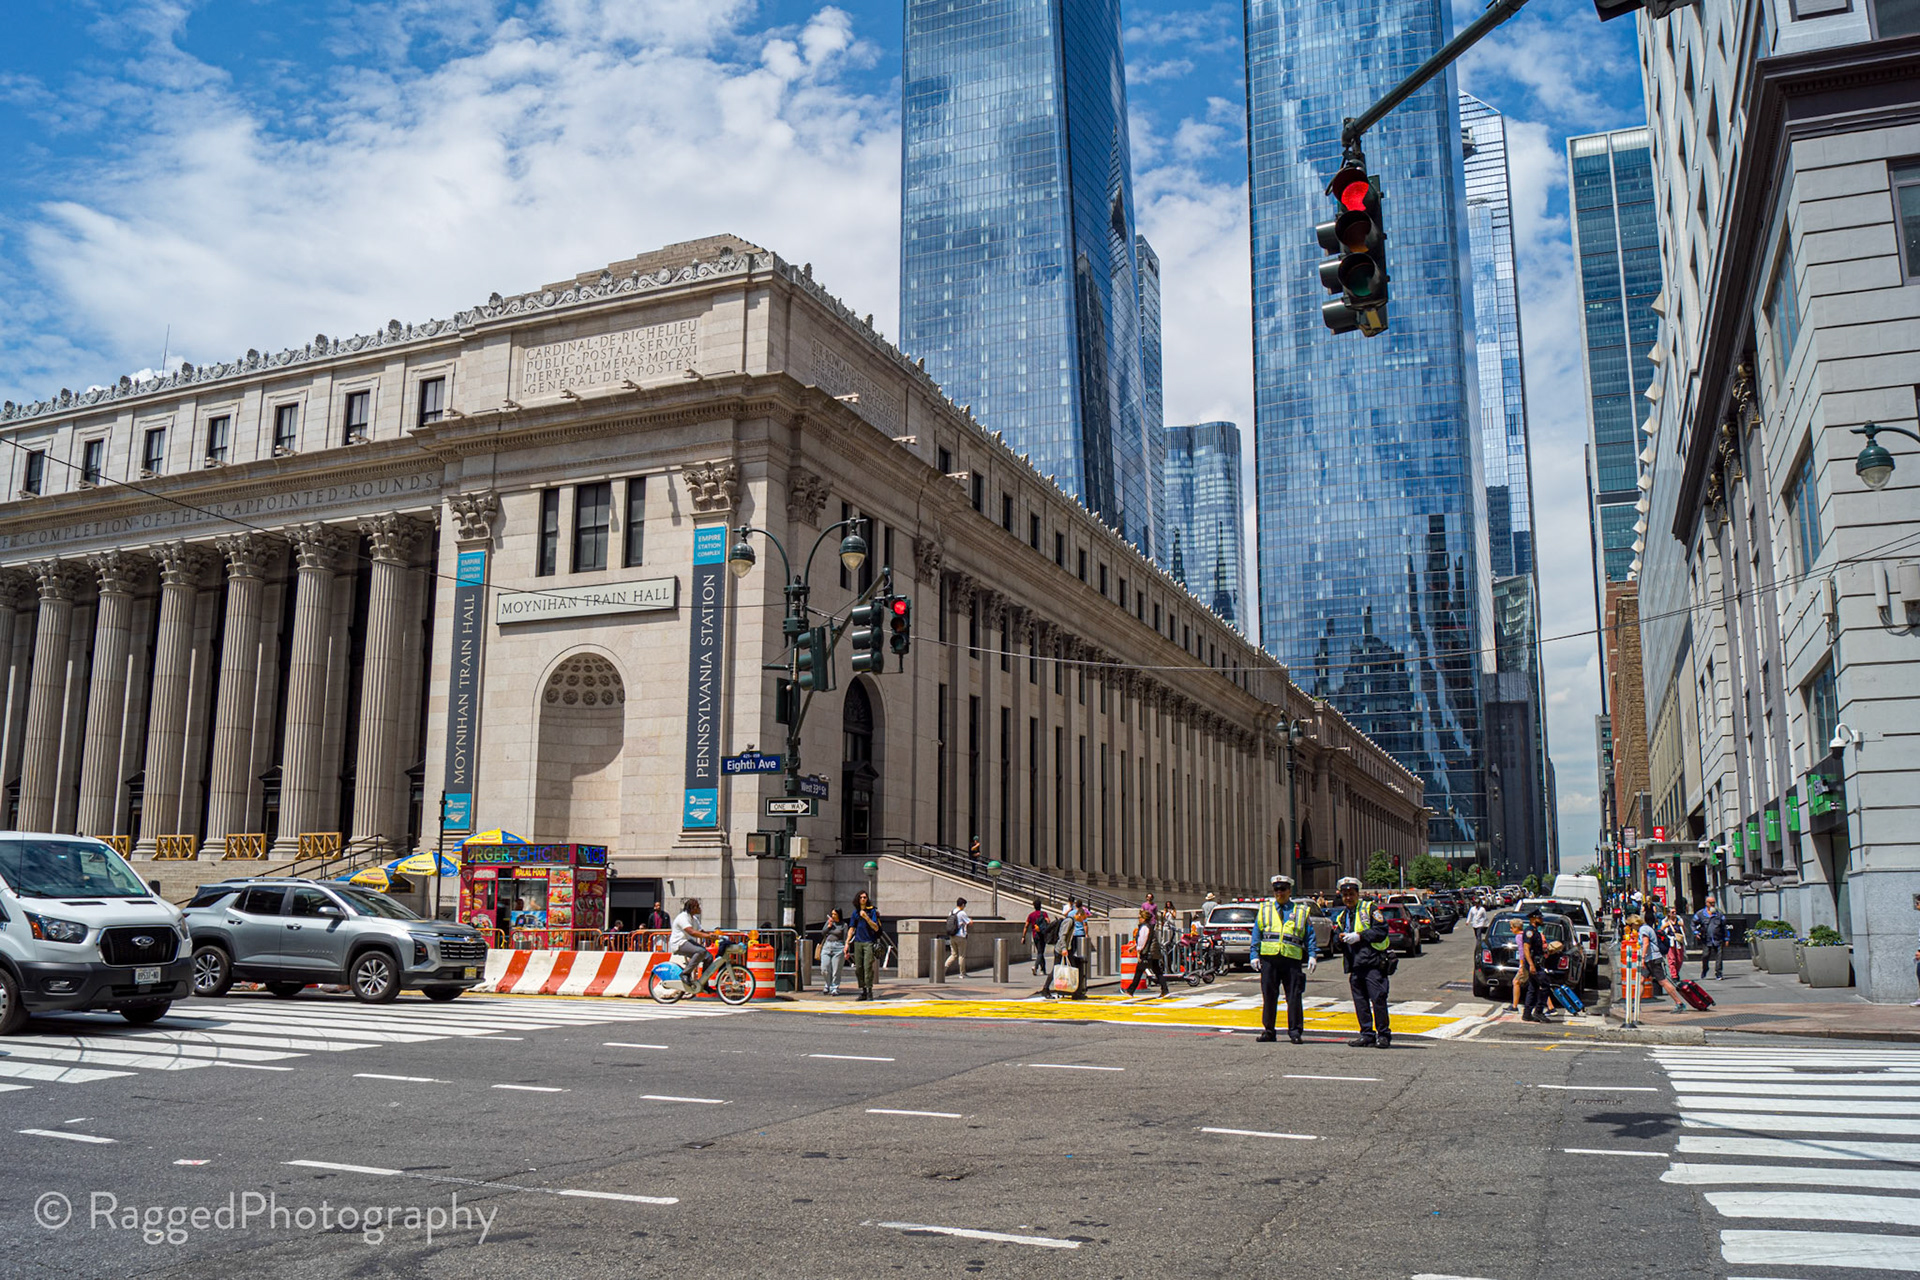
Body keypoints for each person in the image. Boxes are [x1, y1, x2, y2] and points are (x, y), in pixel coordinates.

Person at [1249, 874, 1316, 1044]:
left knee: (1294, 996)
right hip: (1269, 959)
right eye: (1276, 890)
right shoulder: (1265, 909)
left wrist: (1313, 955)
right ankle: (1269, 1031)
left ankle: (1295, 1031)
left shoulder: (1300, 911)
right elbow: (1257, 933)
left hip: (1291, 959)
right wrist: (1254, 955)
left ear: (1289, 891)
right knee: (1269, 996)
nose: (1279, 892)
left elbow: (1309, 935)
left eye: (1283, 889)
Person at [1329, 876, 1393, 1047]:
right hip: (1355, 964)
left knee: (1378, 999)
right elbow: (1336, 938)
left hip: (1373, 963)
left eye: (1351, 894)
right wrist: (1339, 939)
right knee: (1360, 1001)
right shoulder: (1342, 916)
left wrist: (1359, 936)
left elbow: (1381, 930)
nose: (1348, 898)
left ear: (1358, 894)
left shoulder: (1369, 908)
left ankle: (1383, 1035)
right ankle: (1367, 1034)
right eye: (1345, 895)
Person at [1634, 912, 1689, 1013]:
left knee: (1663, 981)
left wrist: (1642, 958)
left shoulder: (1643, 929)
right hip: (1649, 959)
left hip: (1653, 959)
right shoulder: (1646, 928)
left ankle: (1679, 1003)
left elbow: (1646, 943)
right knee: (1641, 980)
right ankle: (1636, 1005)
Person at [668, 898, 716, 991]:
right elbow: (692, 932)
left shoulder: (694, 919)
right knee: (701, 951)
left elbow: (701, 931)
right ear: (692, 908)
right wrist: (708, 936)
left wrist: (713, 936)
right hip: (679, 943)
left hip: (688, 942)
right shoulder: (682, 917)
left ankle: (704, 983)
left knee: (709, 957)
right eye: (697, 906)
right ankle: (685, 974)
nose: (699, 908)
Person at [1125, 906, 1170, 997]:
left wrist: (1138, 952)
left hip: (1147, 953)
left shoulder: (1144, 927)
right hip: (1153, 952)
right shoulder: (1149, 927)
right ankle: (1165, 990)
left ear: (1144, 918)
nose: (1139, 919)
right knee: (1157, 972)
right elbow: (1146, 940)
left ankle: (1130, 991)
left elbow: (1142, 941)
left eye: (1140, 917)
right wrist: (1134, 947)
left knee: (1139, 972)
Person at [850, 891, 884, 1001]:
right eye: (861, 897)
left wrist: (866, 917)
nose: (863, 899)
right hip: (858, 942)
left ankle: (869, 991)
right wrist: (847, 942)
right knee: (859, 968)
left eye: (865, 897)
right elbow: (851, 928)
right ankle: (863, 990)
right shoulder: (855, 913)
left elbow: (876, 927)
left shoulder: (872, 911)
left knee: (867, 967)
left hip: (869, 942)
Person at [1518, 908, 1550, 1022]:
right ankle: (1538, 1012)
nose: (1541, 919)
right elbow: (1526, 949)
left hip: (1537, 963)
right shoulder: (1529, 931)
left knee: (1532, 988)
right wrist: (1531, 965)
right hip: (1534, 964)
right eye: (1539, 918)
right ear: (1533, 919)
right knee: (1545, 985)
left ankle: (1527, 1014)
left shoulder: (1536, 931)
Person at [1693, 897, 1727, 981]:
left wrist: (1726, 938)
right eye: (1711, 903)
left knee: (1719, 956)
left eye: (1713, 903)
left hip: (1718, 939)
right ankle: (1705, 969)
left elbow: (1724, 926)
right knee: (1705, 955)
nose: (1712, 904)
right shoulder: (1701, 913)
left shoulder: (1719, 914)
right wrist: (1696, 933)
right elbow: (1693, 923)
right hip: (1706, 939)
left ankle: (1718, 973)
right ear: (1706, 903)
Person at [816, 908, 848, 995]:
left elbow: (845, 937)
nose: (833, 916)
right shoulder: (829, 922)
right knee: (824, 968)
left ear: (839, 915)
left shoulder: (843, 925)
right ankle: (828, 984)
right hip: (827, 945)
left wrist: (846, 950)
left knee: (836, 969)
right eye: (832, 914)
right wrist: (829, 926)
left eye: (835, 914)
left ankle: (834, 987)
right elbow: (823, 933)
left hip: (838, 946)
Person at [1023, 898, 1052, 976]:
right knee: (1040, 952)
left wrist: (1023, 936)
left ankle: (1043, 969)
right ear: (1040, 906)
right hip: (1042, 934)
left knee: (1040, 952)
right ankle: (1035, 966)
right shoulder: (1044, 914)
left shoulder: (1031, 915)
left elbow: (1026, 926)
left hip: (1035, 935)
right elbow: (1048, 921)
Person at [944, 897, 971, 974]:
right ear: (962, 905)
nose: (964, 907)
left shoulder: (951, 912)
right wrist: (971, 920)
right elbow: (969, 922)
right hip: (961, 936)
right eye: (964, 905)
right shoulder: (962, 913)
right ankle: (962, 973)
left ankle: (943, 968)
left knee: (953, 955)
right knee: (961, 955)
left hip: (952, 935)